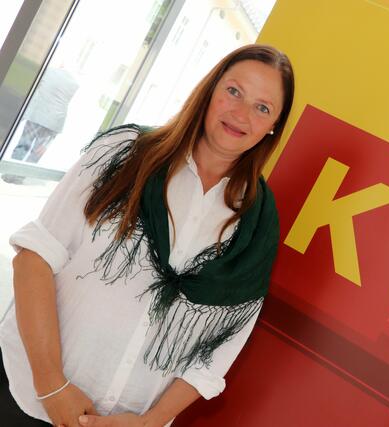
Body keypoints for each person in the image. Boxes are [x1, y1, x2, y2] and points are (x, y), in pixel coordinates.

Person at [0, 44, 295, 427]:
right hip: (25, 395)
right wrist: (51, 385)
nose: (241, 114)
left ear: (274, 126)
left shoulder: (257, 223)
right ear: (210, 90)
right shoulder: (124, 153)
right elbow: (35, 257)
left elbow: (219, 347)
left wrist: (151, 421)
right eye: (234, 91)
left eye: (263, 107)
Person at [2, 66, 79, 184]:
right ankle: (20, 177)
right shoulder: (74, 84)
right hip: (54, 121)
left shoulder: (48, 72)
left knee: (24, 144)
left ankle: (10, 173)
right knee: (37, 152)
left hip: (37, 115)